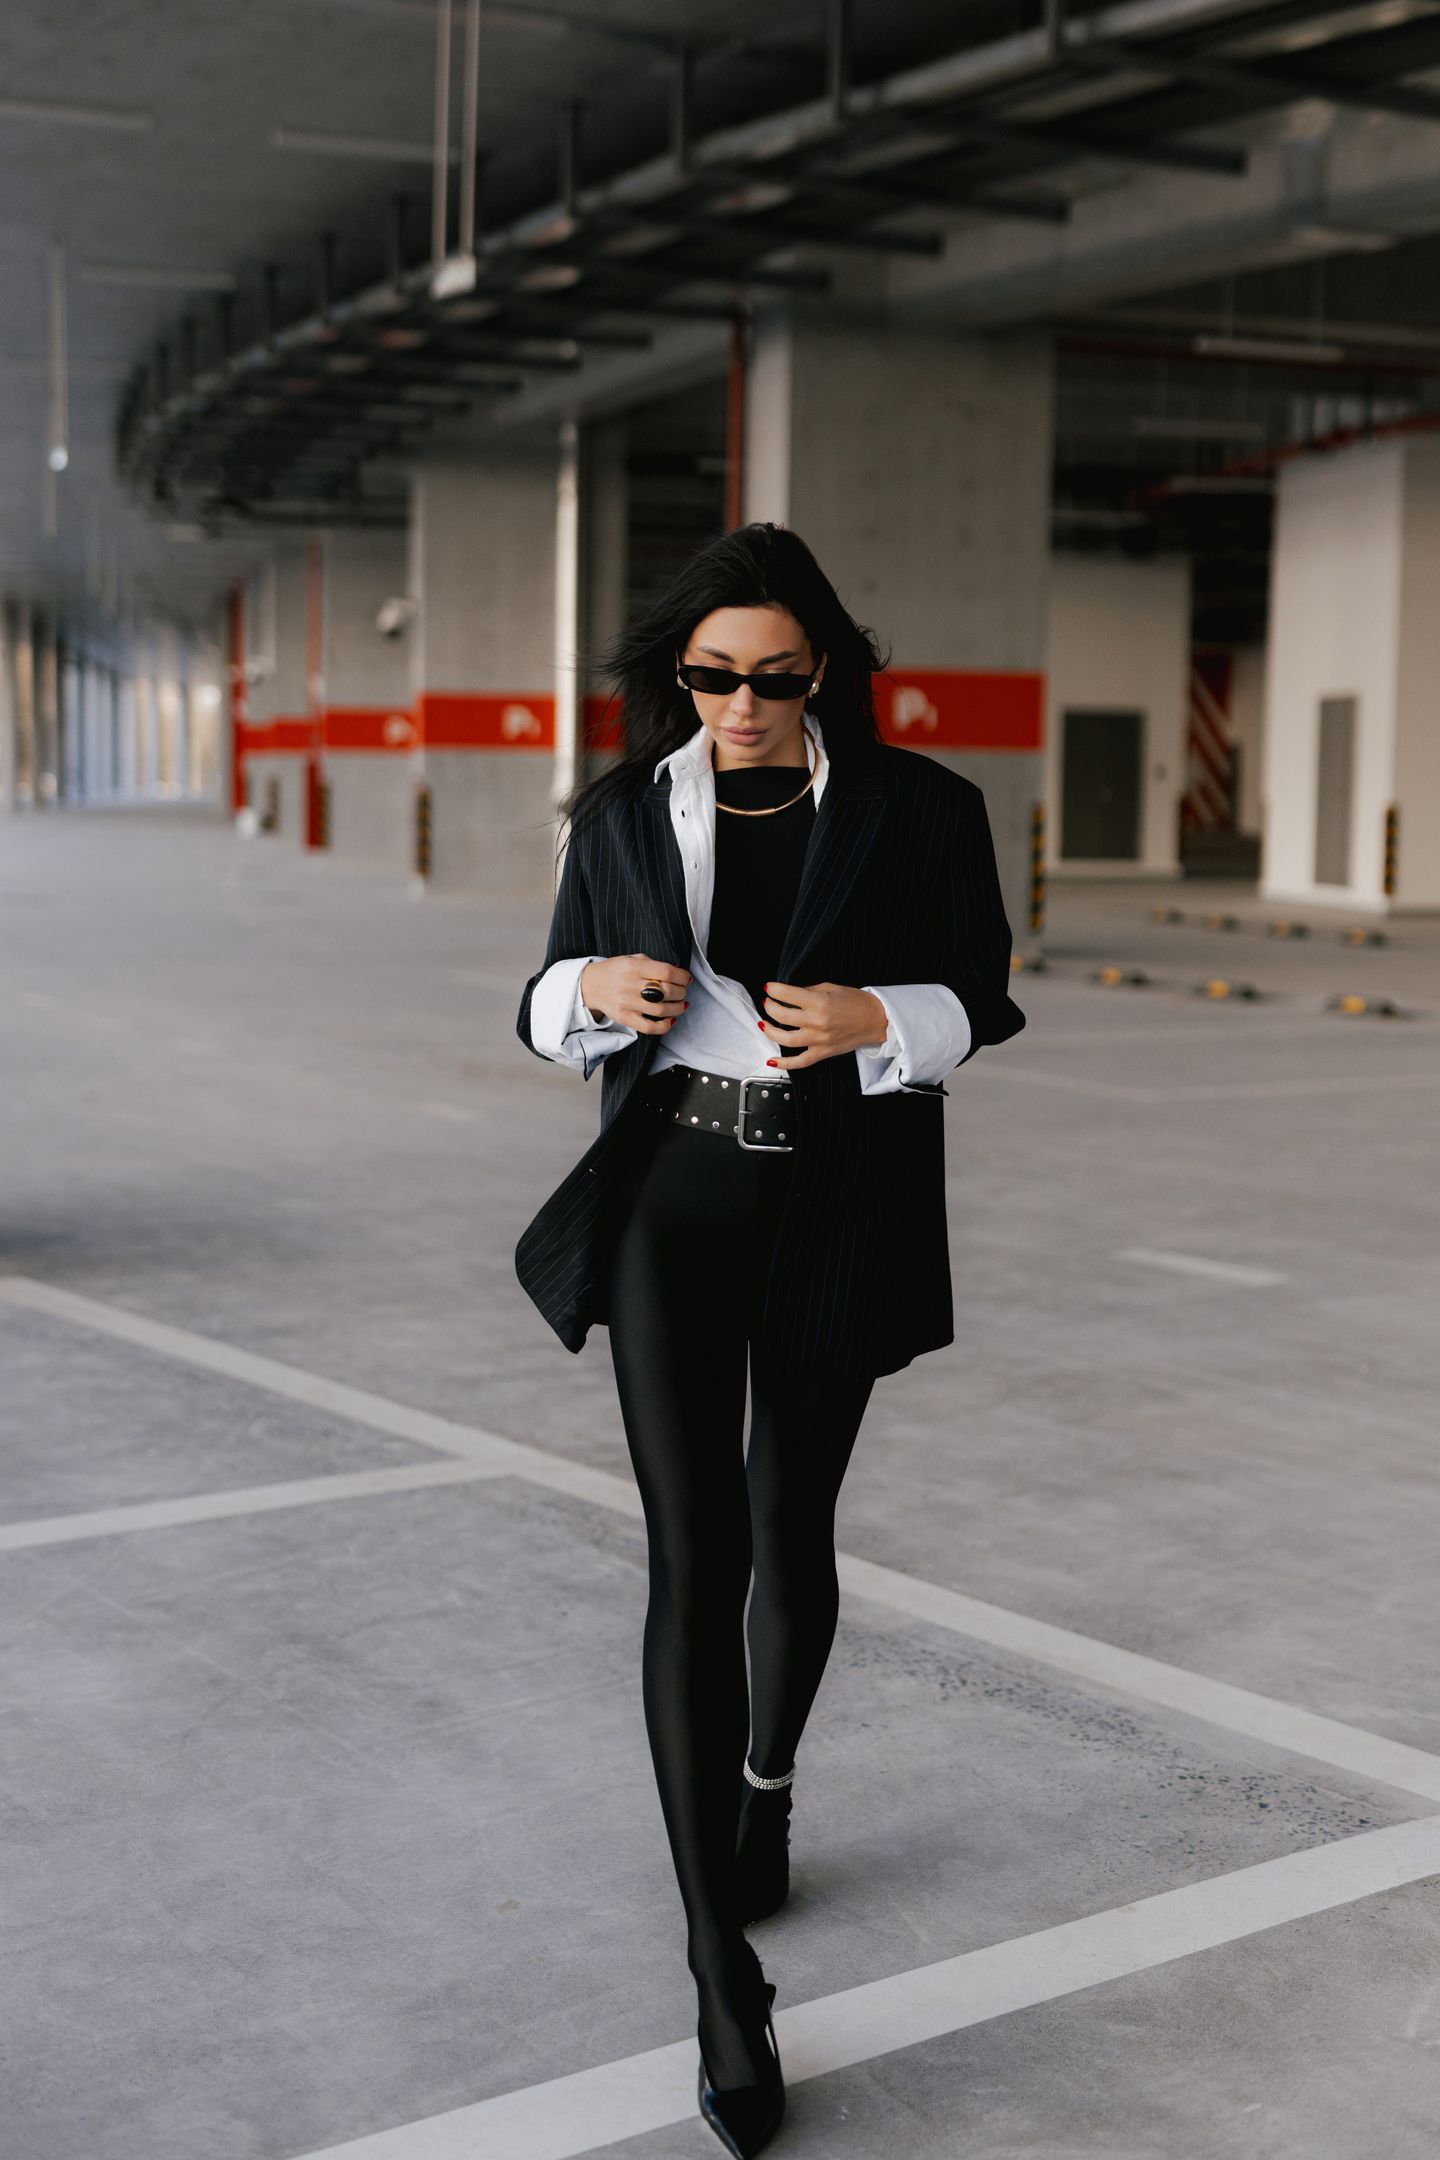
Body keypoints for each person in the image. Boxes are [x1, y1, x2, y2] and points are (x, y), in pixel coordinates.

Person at [514, 522, 1024, 2157]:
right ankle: (718, 1971)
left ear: (825, 675)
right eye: (711, 676)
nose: (739, 705)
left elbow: (984, 993)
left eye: (774, 678)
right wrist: (594, 989)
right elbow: (539, 1002)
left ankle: (767, 1787)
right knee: (694, 1551)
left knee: (792, 1519)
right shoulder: (620, 811)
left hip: (836, 1198)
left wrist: (886, 1019)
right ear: (681, 673)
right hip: (670, 1195)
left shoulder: (921, 809)